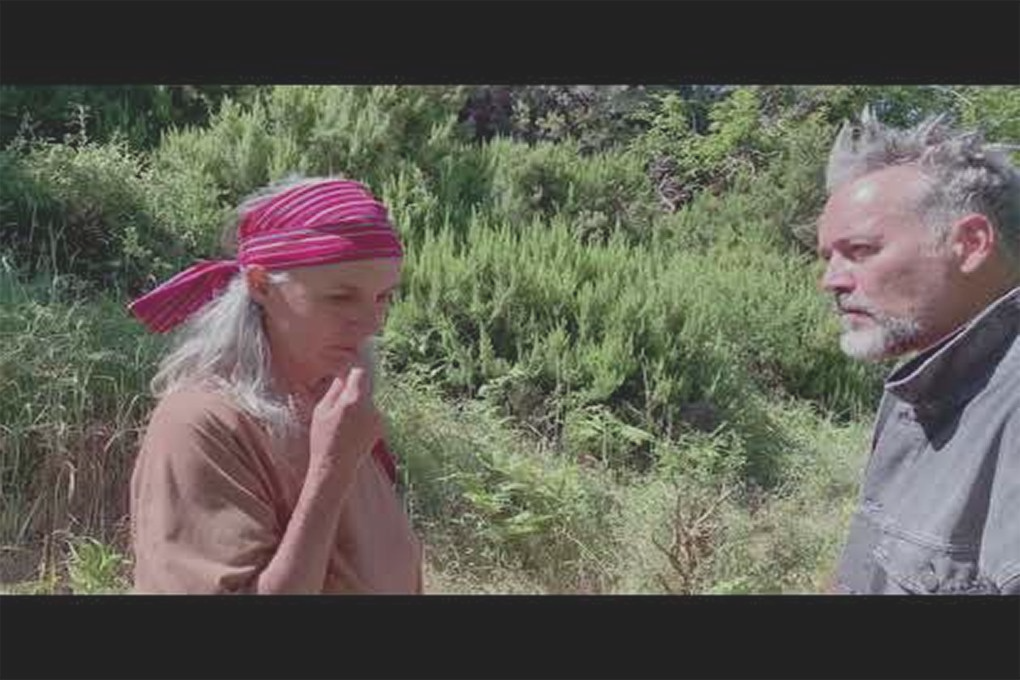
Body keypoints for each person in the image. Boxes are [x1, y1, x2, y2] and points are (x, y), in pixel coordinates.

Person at [127, 176, 423, 594]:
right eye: (341, 297)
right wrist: (331, 470)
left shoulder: (336, 408)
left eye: (383, 298)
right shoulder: (201, 426)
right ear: (261, 285)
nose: (372, 323)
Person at [817, 107, 1020, 594]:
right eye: (827, 257)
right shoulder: (923, 384)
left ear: (970, 243)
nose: (831, 281)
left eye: (861, 250)